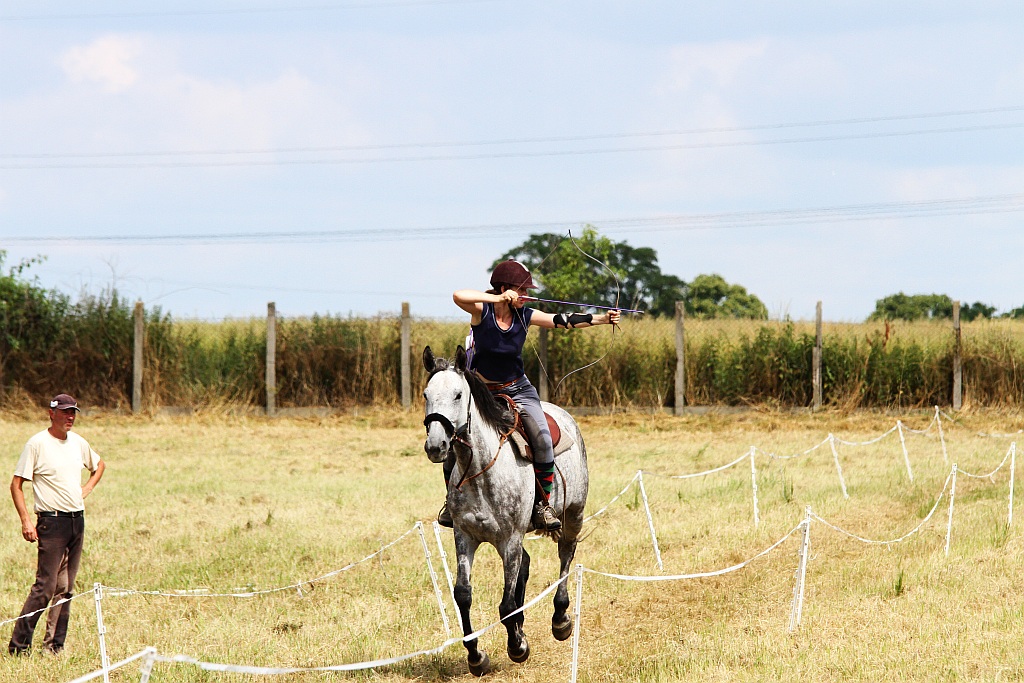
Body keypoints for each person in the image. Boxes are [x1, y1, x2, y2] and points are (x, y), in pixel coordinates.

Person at [441, 258, 620, 532]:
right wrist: (498, 298)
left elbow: (560, 321)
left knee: (542, 439)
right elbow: (457, 295)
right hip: (481, 392)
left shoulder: (525, 315)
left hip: (518, 389)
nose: (526, 295)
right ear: (505, 288)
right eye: (522, 290)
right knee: (455, 439)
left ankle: (543, 505)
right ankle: (451, 502)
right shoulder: (482, 312)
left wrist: (600, 319)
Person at [8, 394, 104, 656]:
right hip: (52, 522)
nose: (70, 417)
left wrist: (86, 488)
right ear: (52, 414)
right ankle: (19, 646)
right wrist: (26, 521)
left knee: (66, 588)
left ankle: (54, 646)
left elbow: (99, 465)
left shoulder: (78, 442)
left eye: (73, 412)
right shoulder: (37, 444)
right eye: (64, 412)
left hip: (76, 521)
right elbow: (16, 485)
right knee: (46, 586)